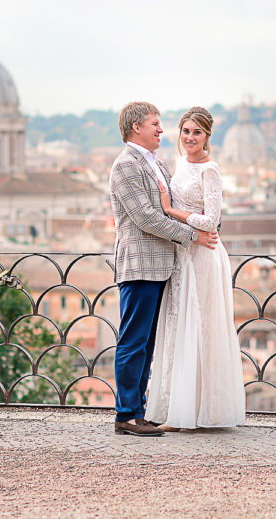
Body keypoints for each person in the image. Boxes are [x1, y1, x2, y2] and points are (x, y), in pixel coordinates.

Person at [108, 102, 219, 437]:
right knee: (133, 341)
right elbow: (146, 217)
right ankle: (126, 414)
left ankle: (138, 411)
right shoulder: (126, 165)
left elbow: (170, 209)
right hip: (141, 264)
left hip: (160, 266)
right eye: (155, 124)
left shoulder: (154, 164)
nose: (161, 130)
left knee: (147, 343)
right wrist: (192, 237)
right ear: (135, 127)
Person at [146, 107, 246, 430]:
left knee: (201, 325)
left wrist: (171, 211)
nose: (190, 138)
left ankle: (199, 410)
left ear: (207, 137)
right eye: (186, 131)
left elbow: (212, 220)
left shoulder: (210, 169)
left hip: (204, 254)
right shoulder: (180, 165)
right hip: (183, 253)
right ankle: (181, 407)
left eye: (197, 133)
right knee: (180, 325)